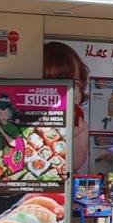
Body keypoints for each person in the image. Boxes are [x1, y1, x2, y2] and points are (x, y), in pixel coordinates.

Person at [43, 41, 90, 171]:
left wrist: (74, 161)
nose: (65, 93)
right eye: (54, 84)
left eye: (73, 83)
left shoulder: (78, 123)